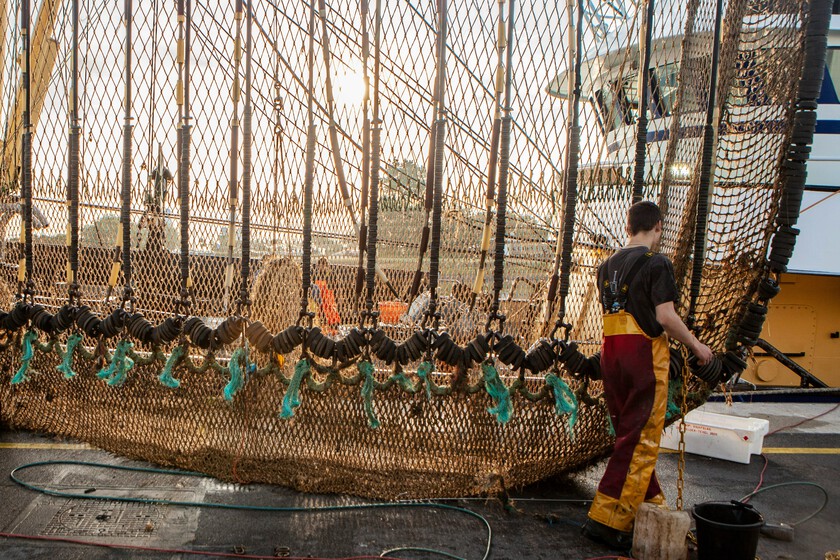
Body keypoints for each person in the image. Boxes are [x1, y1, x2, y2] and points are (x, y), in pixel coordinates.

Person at [582, 201, 713, 551]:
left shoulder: (605, 266)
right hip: (643, 359)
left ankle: (649, 502)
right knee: (641, 438)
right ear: (657, 227)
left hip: (612, 357)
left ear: (628, 227)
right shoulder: (657, 263)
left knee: (629, 434)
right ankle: (606, 519)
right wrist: (697, 346)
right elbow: (665, 317)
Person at [311, 257, 341, 333]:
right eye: (320, 265)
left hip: (328, 298)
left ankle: (333, 329)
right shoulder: (314, 274)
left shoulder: (331, 274)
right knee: (319, 314)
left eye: (323, 265)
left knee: (331, 314)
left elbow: (336, 287)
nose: (321, 267)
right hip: (318, 297)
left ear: (327, 266)